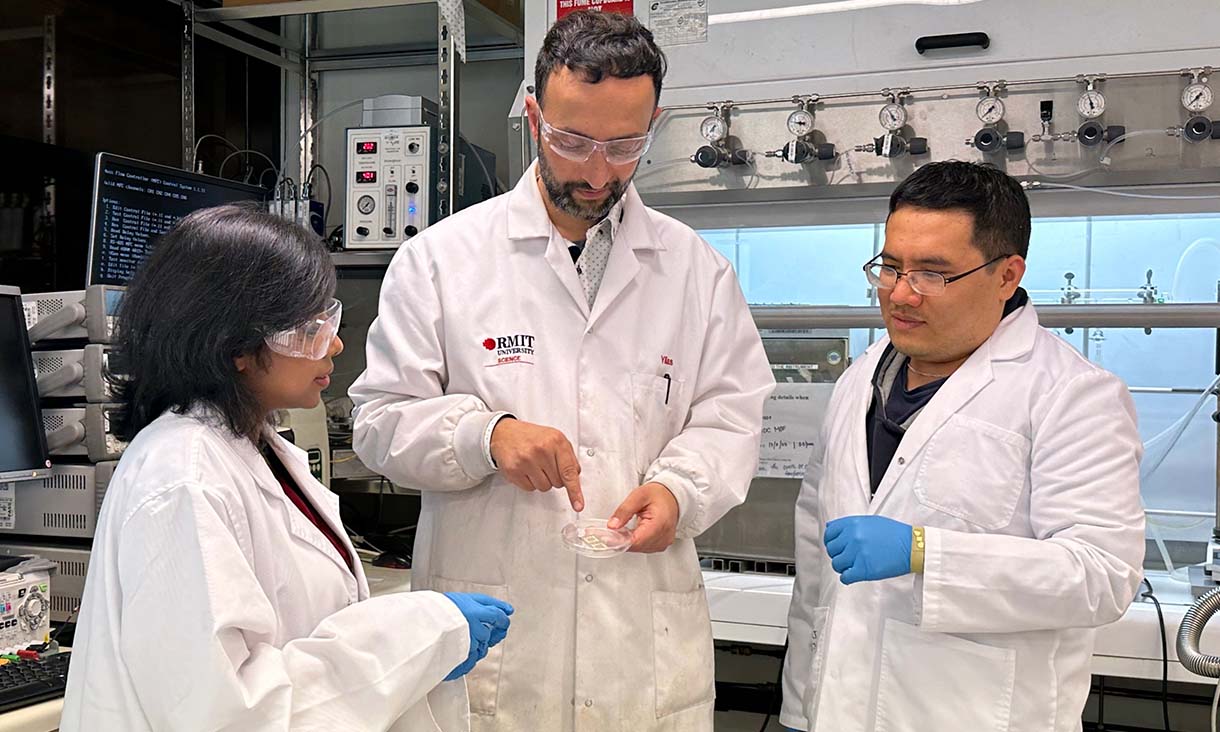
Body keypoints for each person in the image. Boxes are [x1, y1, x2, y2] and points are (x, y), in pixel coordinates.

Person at [348, 10, 774, 731]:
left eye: (625, 145)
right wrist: (484, 436)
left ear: (655, 122)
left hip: (641, 648)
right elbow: (379, 421)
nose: (597, 171)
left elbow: (731, 417)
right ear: (534, 113)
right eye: (573, 141)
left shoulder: (695, 271)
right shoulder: (443, 261)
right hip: (500, 650)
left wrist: (678, 490)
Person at [61, 204, 512, 732]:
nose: (336, 345)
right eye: (311, 329)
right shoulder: (183, 475)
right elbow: (229, 712)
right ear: (235, 348)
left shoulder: (249, 446)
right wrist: (415, 637)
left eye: (331, 319)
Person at [781, 161, 1145, 732]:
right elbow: (815, 551)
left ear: (1006, 275)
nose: (901, 294)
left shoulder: (1072, 396)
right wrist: (801, 706)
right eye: (891, 267)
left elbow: (1100, 577)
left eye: (933, 273)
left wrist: (927, 553)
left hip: (974, 711)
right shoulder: (862, 375)